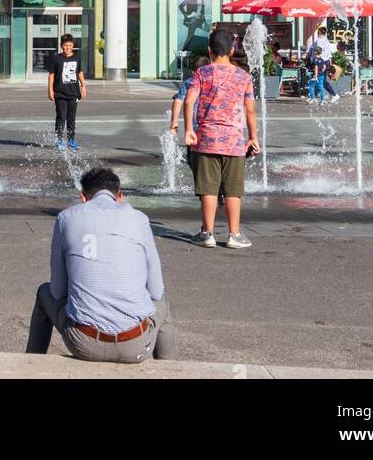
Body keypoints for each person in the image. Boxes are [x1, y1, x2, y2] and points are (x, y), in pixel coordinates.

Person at [25, 166, 175, 363]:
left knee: (44, 292)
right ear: (120, 196)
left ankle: (30, 365)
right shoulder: (140, 220)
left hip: (83, 344)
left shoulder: (66, 218)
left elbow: (57, 291)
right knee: (161, 301)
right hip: (137, 345)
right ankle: (170, 369)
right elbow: (156, 290)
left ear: (83, 197)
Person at [184, 26, 260, 249]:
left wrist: (189, 128)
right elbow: (250, 110)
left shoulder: (202, 73)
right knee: (233, 190)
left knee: (208, 188)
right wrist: (253, 137)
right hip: (234, 142)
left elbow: (189, 101)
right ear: (232, 49)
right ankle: (234, 234)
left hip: (206, 139)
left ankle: (207, 233)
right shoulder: (243, 76)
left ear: (210, 50)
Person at [48, 33, 86, 151]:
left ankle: (71, 141)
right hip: (60, 92)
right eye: (65, 45)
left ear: (72, 45)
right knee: (61, 117)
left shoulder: (77, 57)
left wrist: (83, 86)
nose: (68, 47)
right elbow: (51, 75)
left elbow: (79, 72)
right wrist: (50, 90)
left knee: (71, 118)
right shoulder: (56, 58)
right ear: (61, 45)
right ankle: (59, 141)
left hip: (73, 92)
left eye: (70, 45)